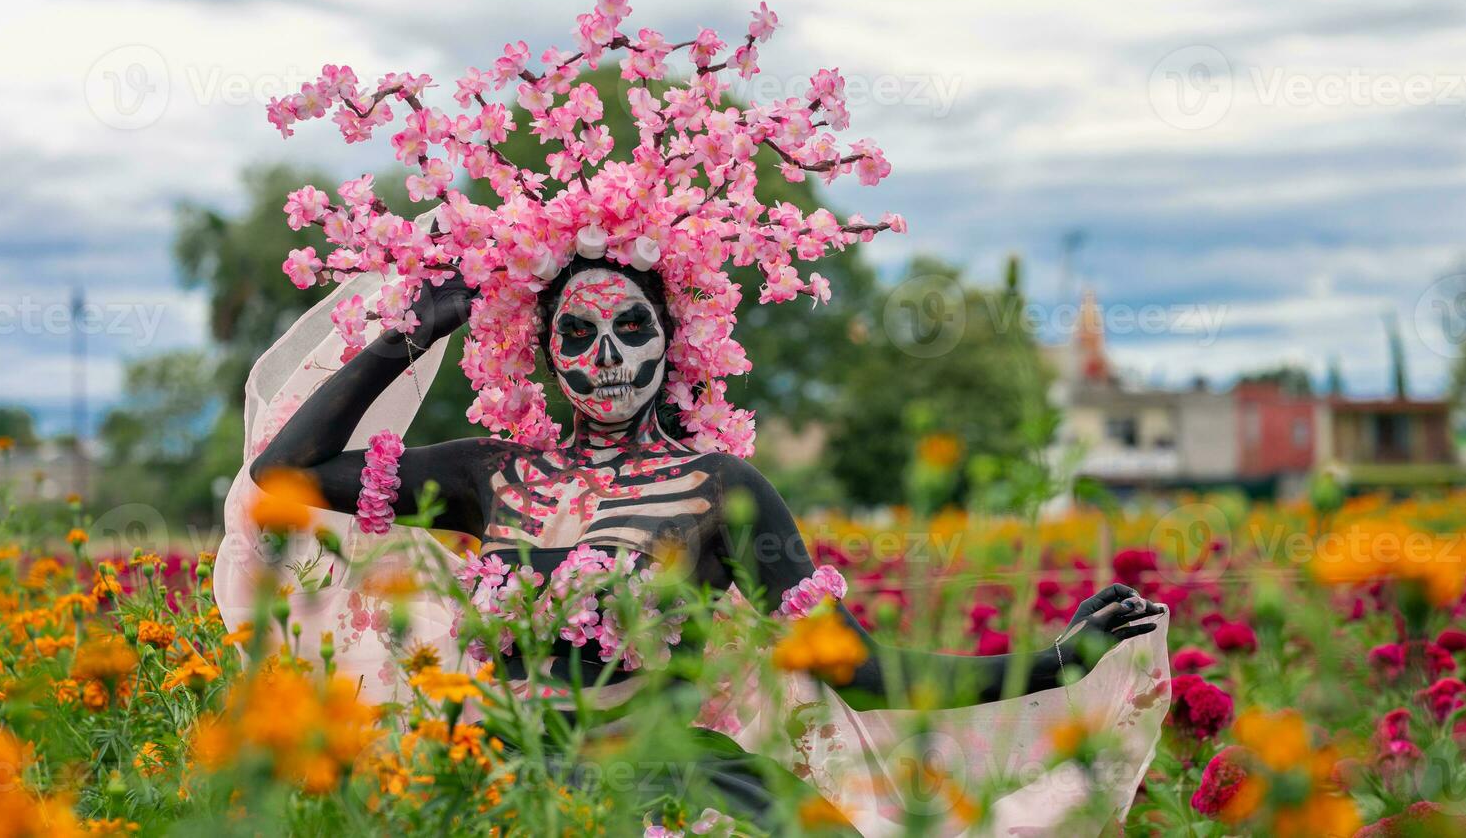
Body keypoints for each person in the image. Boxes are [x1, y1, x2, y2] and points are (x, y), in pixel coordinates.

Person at [239, 254, 1167, 833]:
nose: (605, 353)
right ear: (546, 352)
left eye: (630, 327)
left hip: (666, 782)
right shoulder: (490, 474)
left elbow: (855, 669)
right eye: (579, 331)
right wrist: (411, 333)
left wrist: (1059, 658)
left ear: (671, 346)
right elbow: (286, 473)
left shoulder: (719, 490)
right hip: (496, 782)